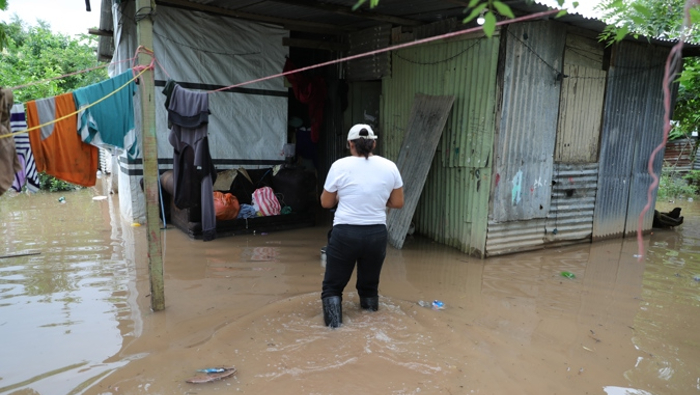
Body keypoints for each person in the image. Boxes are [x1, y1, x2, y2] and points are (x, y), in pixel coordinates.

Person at [319, 123, 404, 328]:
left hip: (345, 234)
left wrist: (342, 196)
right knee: (369, 288)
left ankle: (333, 332)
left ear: (350, 143)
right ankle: (371, 330)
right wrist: (377, 199)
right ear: (374, 143)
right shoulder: (390, 166)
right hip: (376, 235)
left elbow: (326, 203)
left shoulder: (339, 166)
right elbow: (398, 202)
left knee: (332, 288)